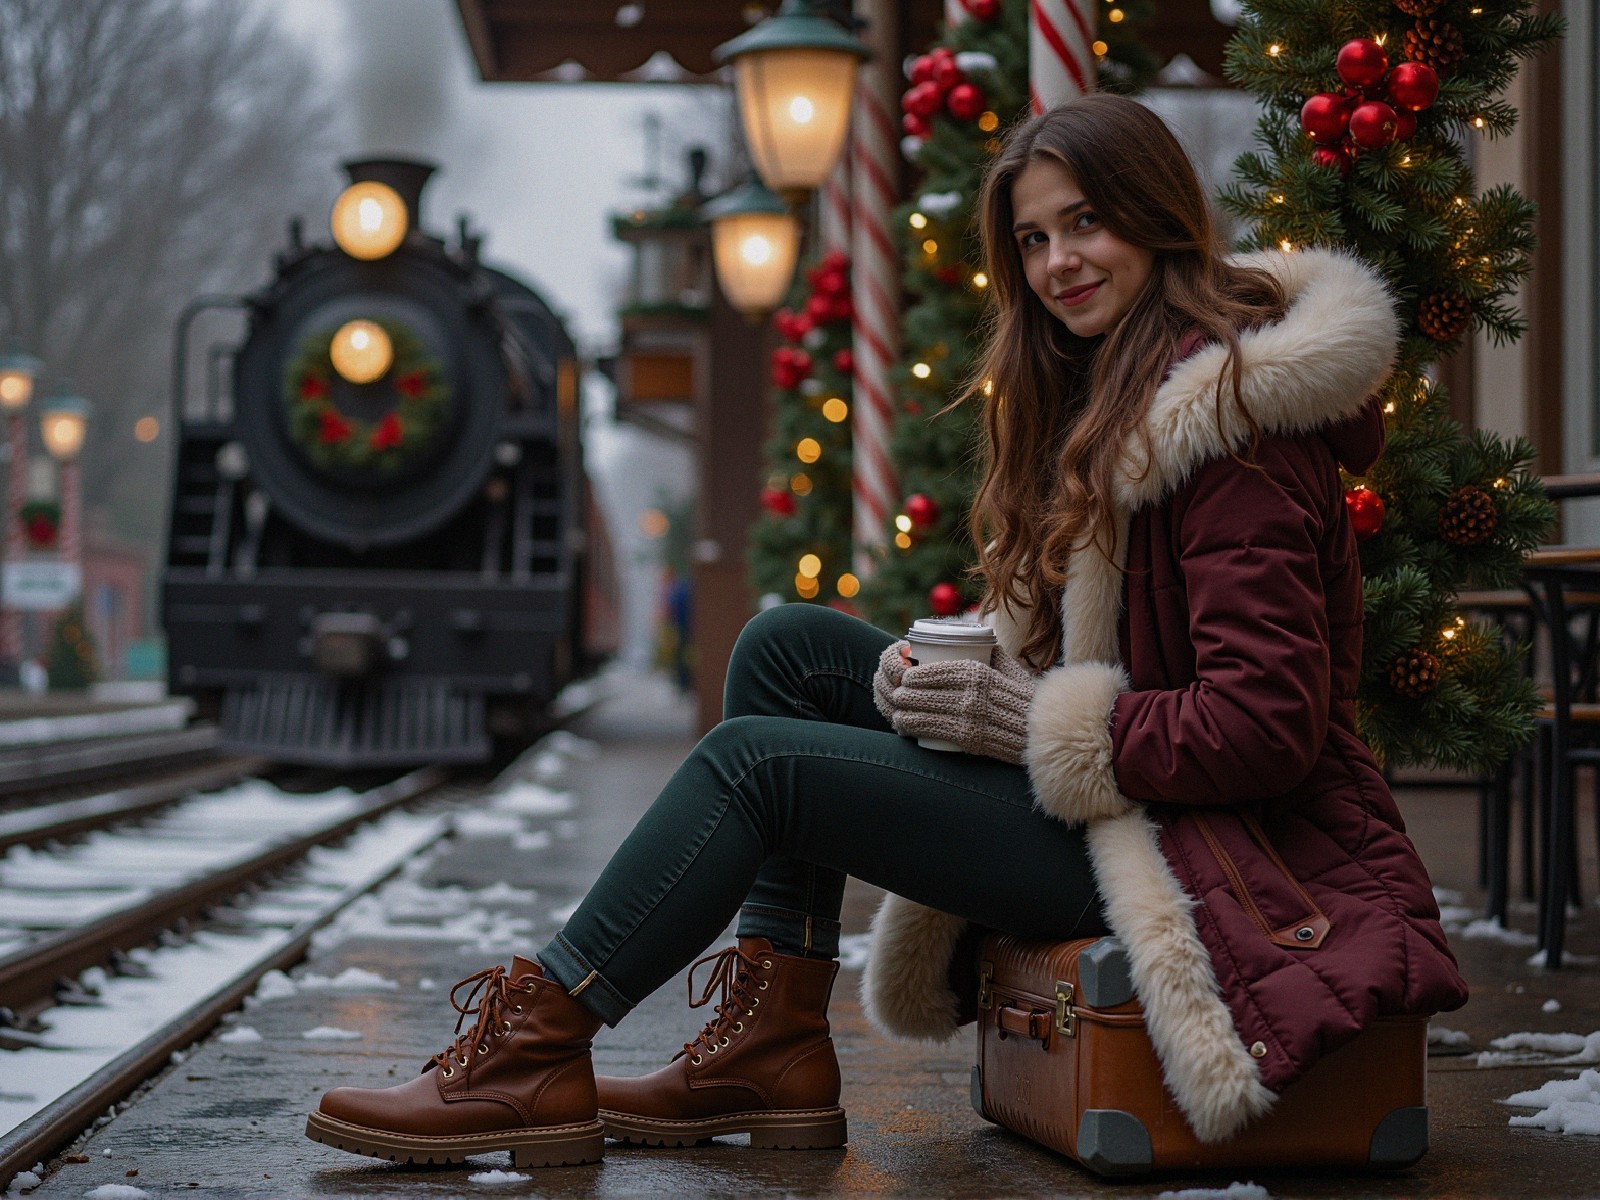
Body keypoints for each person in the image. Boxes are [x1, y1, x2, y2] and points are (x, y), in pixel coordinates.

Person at [304, 93, 1467, 1168]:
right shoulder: (1111, 386)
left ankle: (537, 1043)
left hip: (1211, 856)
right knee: (786, 650)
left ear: (1158, 219)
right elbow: (1120, 645)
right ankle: (769, 1046)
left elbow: (1262, 730)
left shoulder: (1226, 428)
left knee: (757, 767)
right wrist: (981, 669)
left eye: (1087, 224)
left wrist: (1025, 719)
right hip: (1130, 802)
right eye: (1032, 238)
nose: (1059, 261)